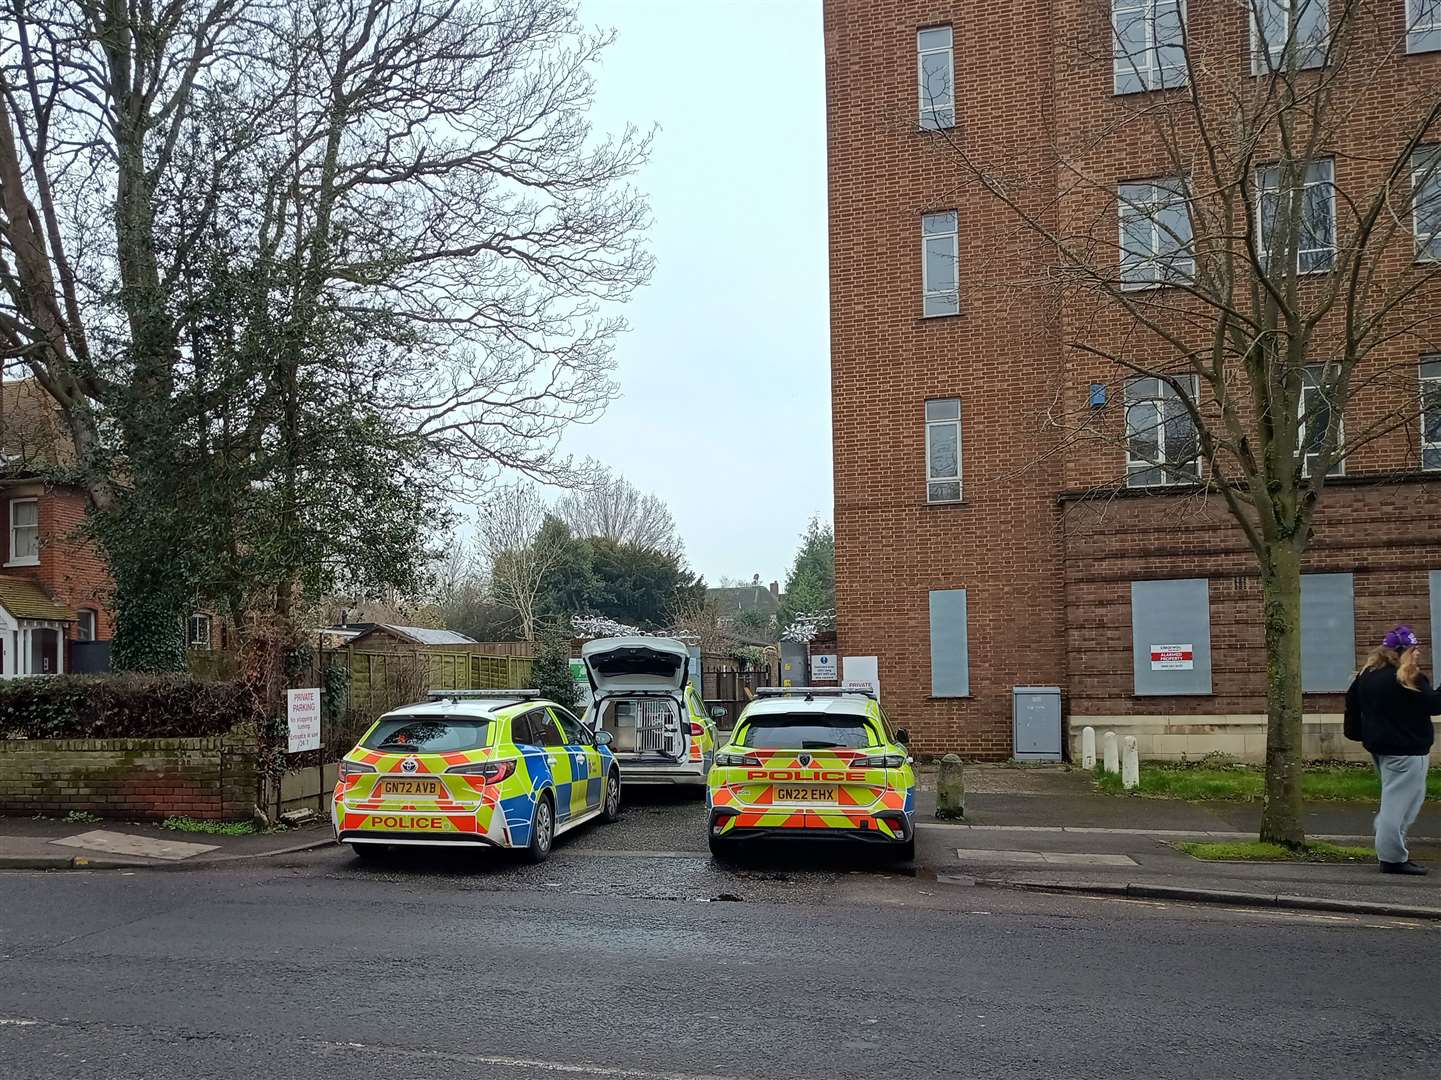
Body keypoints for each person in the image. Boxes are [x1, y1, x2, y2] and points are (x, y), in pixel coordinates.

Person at [1346, 626, 1439, 876]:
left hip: (1381, 748)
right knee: (1398, 806)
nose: (1418, 653)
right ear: (1403, 651)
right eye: (1414, 649)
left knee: (1404, 802)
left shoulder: (1366, 675)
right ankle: (1392, 858)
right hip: (1408, 752)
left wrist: (1359, 734)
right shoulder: (1408, 678)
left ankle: (1389, 841)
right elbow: (1435, 705)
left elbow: (1352, 707)